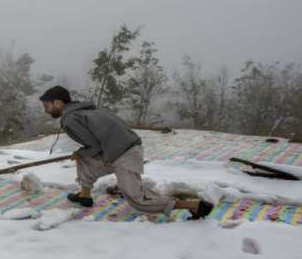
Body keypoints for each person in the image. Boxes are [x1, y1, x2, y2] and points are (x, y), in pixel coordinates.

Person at [39, 85, 213, 219]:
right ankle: (85, 195)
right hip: (119, 150)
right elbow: (96, 146)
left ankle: (194, 206)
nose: (46, 110)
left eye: (47, 105)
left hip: (125, 154)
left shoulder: (70, 119)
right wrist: (82, 154)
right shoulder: (86, 109)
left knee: (138, 200)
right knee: (86, 160)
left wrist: (80, 153)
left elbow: (94, 147)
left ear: (58, 102)